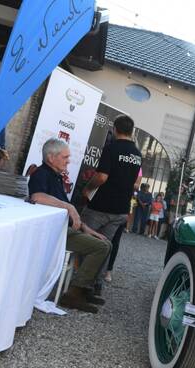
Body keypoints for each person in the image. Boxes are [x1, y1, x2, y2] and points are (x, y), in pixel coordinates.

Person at [28, 138, 110, 313]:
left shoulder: (56, 177)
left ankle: (84, 288)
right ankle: (74, 293)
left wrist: (86, 229)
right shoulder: (41, 174)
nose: (68, 161)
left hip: (65, 230)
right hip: (55, 234)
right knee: (101, 247)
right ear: (51, 158)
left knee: (106, 243)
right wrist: (68, 206)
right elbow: (36, 197)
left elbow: (66, 210)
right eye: (65, 157)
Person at [81, 115, 142, 290]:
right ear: (131, 131)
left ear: (115, 129)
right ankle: (96, 284)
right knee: (106, 246)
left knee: (87, 242)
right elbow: (134, 182)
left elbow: (101, 176)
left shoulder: (112, 148)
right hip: (121, 208)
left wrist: (87, 188)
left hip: (101, 205)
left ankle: (81, 284)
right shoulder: (137, 154)